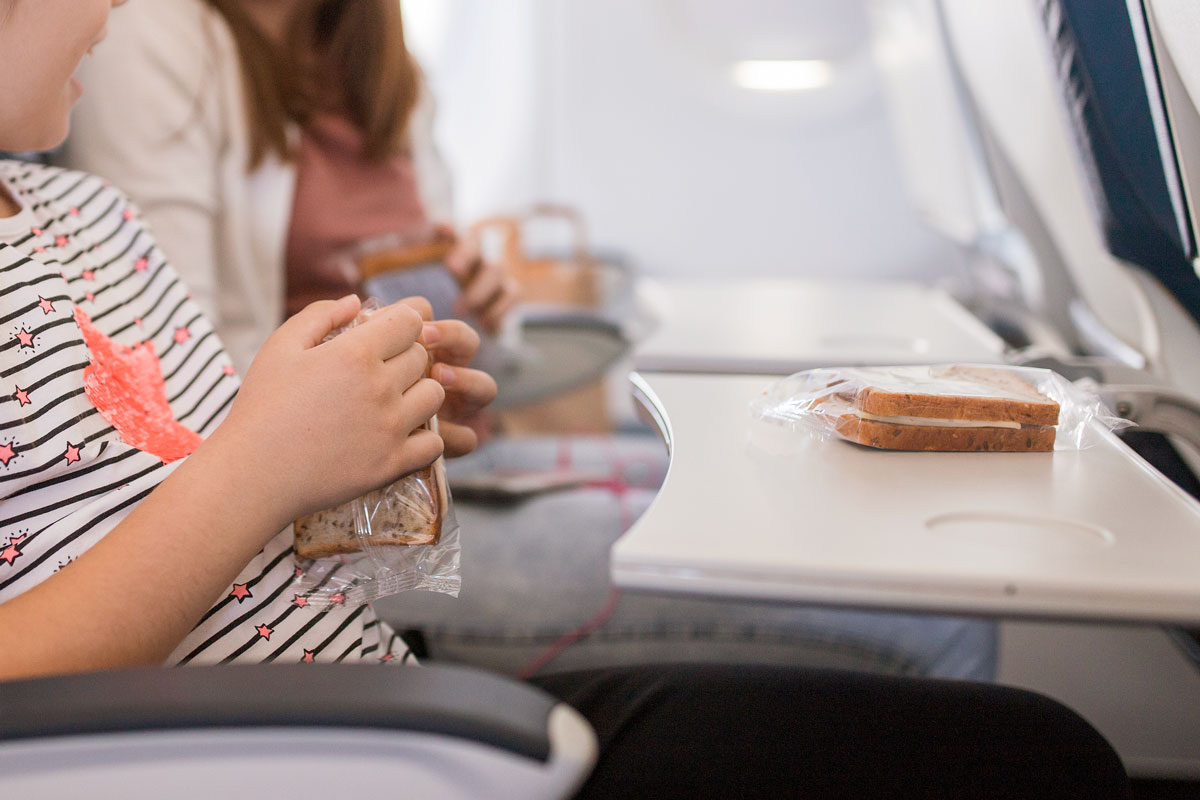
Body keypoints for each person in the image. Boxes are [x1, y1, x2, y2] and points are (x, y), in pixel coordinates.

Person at [0, 3, 1131, 797]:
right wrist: (272, 453)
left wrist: (377, 447)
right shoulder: (162, 65)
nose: (113, 7)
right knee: (1026, 750)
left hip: (382, 694)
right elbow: (221, 493)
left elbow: (259, 536)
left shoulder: (90, 219)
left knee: (1040, 745)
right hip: (329, 746)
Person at [63, 0, 518, 376]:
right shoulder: (146, 38)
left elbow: (468, 346)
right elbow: (179, 367)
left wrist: (480, 315)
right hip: (316, 473)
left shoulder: (391, 68)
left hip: (438, 455)